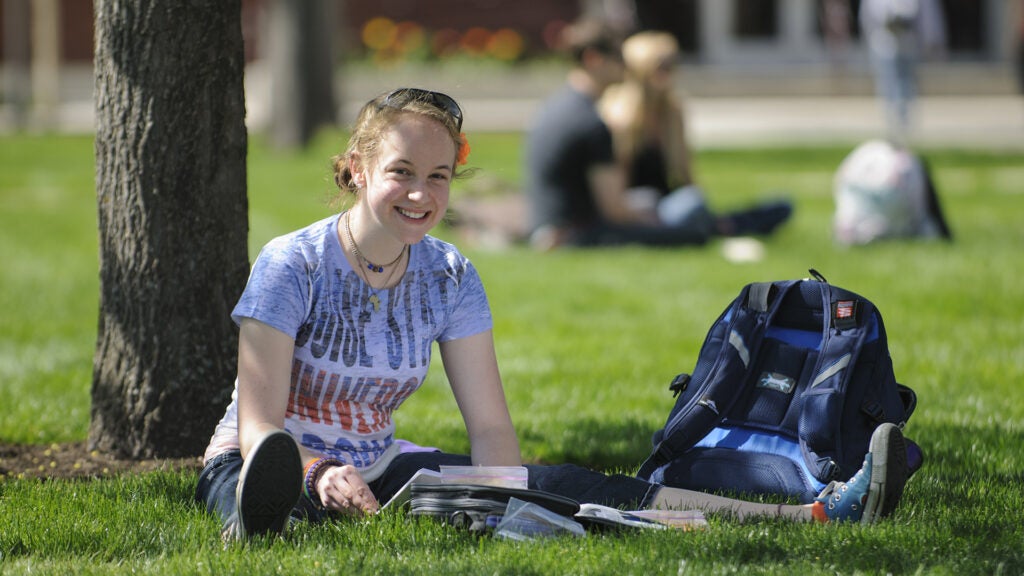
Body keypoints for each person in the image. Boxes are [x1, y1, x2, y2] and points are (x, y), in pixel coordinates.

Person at [195, 87, 909, 542]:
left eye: (437, 177)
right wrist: (317, 470)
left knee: (573, 489)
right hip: (262, 457)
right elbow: (260, 422)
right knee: (267, 490)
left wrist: (505, 500)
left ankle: (811, 513)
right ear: (356, 170)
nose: (420, 194)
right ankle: (264, 517)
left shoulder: (449, 273)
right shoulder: (293, 264)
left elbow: (491, 426)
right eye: (401, 174)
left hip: (382, 464)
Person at [524, 21, 789, 251]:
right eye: (618, 57)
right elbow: (614, 209)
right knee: (692, 235)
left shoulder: (558, 107)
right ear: (594, 58)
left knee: (691, 212)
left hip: (555, 229)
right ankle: (725, 227)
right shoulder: (592, 122)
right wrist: (647, 214)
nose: (624, 67)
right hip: (576, 235)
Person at [597, 30, 793, 240]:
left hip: (668, 206)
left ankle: (707, 226)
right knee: (675, 206)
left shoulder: (672, 113)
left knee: (780, 205)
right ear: (640, 71)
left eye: (672, 66)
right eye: (661, 68)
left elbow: (685, 174)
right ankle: (716, 228)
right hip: (636, 207)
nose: (668, 75)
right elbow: (615, 190)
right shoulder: (618, 116)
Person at [859, 0, 946, 145]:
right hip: (884, 40)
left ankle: (906, 125)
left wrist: (931, 40)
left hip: (908, 40)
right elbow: (867, 16)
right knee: (888, 85)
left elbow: (928, 16)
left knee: (907, 84)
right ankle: (892, 125)